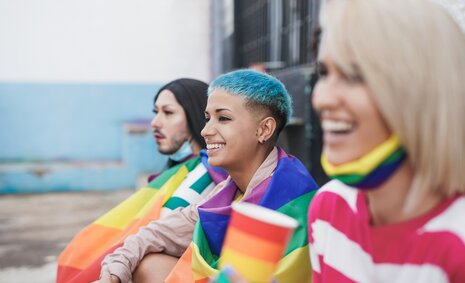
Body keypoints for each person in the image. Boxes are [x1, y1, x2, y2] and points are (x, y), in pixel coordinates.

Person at [95, 69, 319, 283]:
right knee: (149, 264)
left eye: (223, 119)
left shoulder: (294, 198)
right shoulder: (226, 192)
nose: (206, 131)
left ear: (263, 130)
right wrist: (112, 274)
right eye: (207, 118)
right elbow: (155, 234)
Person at [307, 0, 465, 282]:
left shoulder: (458, 244)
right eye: (324, 73)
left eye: (354, 76)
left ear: (421, 91)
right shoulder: (328, 207)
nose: (321, 99)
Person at [57, 78, 228, 283]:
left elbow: (163, 229)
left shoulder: (204, 174)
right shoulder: (176, 172)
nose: (155, 122)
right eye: (156, 112)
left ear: (196, 116)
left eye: (168, 112)